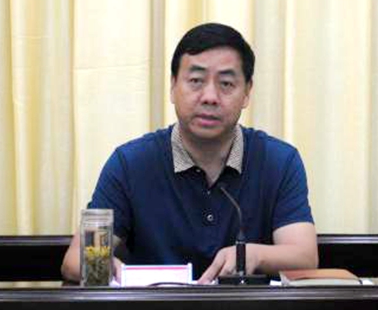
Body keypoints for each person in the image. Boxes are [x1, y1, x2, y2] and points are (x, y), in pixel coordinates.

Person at [61, 22, 318, 284]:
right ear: (173, 87)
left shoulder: (279, 161)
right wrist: (102, 265)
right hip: (155, 308)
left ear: (246, 93)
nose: (210, 97)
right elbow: (74, 260)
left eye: (226, 83)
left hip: (244, 309)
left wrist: (253, 255)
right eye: (196, 81)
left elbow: (305, 255)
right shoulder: (130, 163)